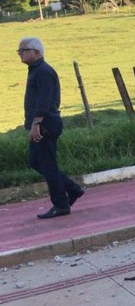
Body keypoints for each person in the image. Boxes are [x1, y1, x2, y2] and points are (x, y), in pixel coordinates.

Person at [18, 37, 85, 219]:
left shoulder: (42, 71)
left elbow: (46, 100)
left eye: (23, 50)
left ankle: (61, 205)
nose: (20, 54)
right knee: (36, 161)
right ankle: (72, 189)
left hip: (44, 124)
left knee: (47, 164)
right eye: (19, 51)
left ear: (36, 52)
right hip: (42, 123)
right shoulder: (36, 71)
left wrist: (36, 123)